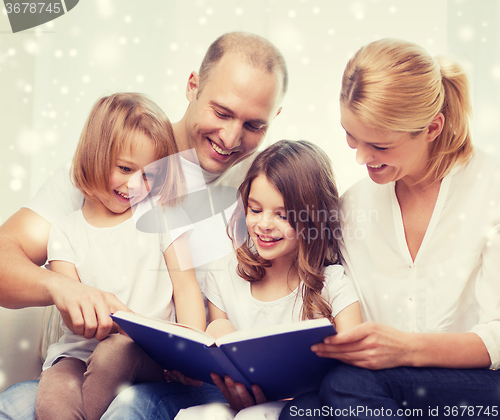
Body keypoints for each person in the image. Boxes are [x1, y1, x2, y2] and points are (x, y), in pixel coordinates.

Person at [0, 31, 287, 420]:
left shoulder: (262, 199)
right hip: (88, 363)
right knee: (14, 405)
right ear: (192, 86)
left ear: (275, 120)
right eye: (221, 112)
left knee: (131, 404)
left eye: (254, 125)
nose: (231, 137)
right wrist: (59, 285)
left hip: (180, 376)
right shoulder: (101, 174)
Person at [279, 39, 500, 420]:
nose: (362, 158)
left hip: (483, 386)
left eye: (380, 146)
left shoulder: (490, 189)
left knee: (346, 386)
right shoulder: (351, 210)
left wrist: (407, 349)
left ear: (432, 128)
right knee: (300, 412)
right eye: (352, 137)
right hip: (388, 394)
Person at [34, 92, 207, 420]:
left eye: (148, 176)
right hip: (77, 354)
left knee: (114, 353)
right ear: (95, 154)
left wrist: (188, 356)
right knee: (55, 400)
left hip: (145, 353)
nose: (134, 185)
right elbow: (74, 316)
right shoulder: (66, 231)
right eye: (125, 168)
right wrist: (112, 314)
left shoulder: (163, 214)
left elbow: (187, 290)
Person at [175, 140, 362, 420]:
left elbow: (354, 374)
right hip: (236, 406)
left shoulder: (333, 285)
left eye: (283, 215)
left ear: (312, 219)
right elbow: (222, 360)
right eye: (255, 209)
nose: (264, 225)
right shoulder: (224, 274)